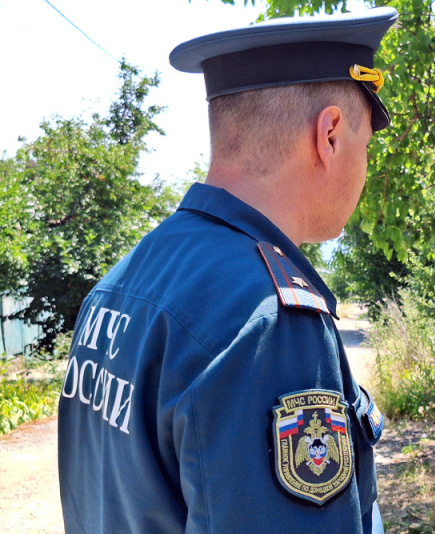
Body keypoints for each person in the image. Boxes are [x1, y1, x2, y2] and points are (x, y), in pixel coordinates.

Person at [57, 8, 397, 533]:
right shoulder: (269, 320)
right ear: (329, 134)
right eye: (366, 145)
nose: (366, 167)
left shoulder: (122, 281)